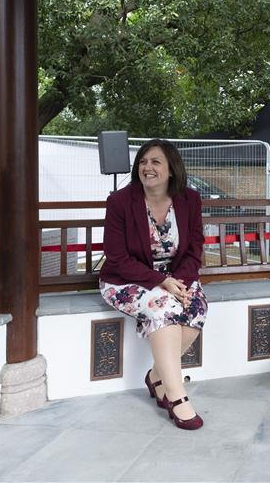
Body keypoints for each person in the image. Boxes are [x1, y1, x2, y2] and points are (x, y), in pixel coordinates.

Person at [99, 139, 207, 430]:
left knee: (195, 309)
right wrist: (161, 282)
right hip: (126, 279)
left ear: (172, 169)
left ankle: (157, 375)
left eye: (155, 162)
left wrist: (179, 283)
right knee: (163, 308)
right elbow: (117, 256)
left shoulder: (190, 200)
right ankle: (177, 397)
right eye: (143, 162)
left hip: (177, 278)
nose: (147, 167)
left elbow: (195, 248)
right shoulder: (120, 202)